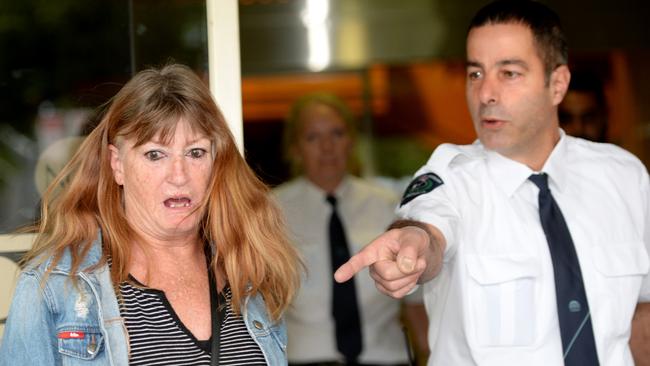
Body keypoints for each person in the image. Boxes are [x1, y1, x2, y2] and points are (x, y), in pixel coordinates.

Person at [334, 1, 650, 365]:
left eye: (509, 73)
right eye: (475, 74)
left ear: (557, 84)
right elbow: (428, 227)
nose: (486, 94)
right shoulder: (449, 178)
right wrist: (414, 243)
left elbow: (641, 311)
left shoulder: (624, 176)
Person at [0, 63, 302, 365]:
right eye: (155, 154)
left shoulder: (248, 275)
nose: (179, 175)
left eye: (195, 152)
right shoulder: (55, 288)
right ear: (116, 164)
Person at [274, 92, 428, 365]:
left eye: (337, 133)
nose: (327, 147)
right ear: (295, 148)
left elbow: (415, 300)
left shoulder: (388, 205)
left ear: (351, 141)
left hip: (385, 358)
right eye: (312, 137)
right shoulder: (270, 212)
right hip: (303, 359)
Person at [559, 70, 608, 142]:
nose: (578, 129)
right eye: (566, 120)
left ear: (604, 117)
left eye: (588, 118)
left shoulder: (621, 153)